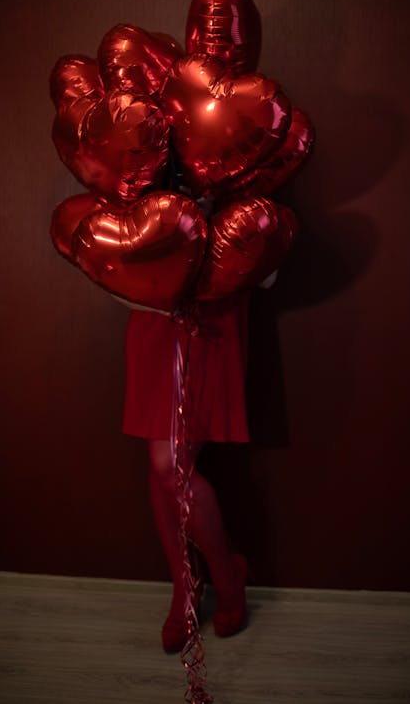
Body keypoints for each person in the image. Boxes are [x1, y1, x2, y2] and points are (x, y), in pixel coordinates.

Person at [117, 272, 276, 652]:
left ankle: (222, 576)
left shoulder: (243, 206)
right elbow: (108, 269)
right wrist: (149, 294)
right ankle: (188, 588)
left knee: (168, 465)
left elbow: (268, 275)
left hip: (212, 326)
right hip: (155, 321)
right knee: (162, 468)